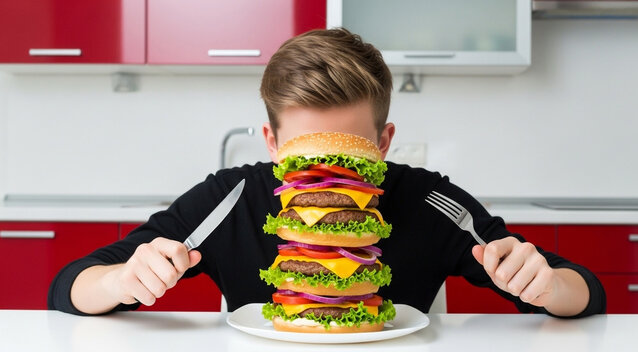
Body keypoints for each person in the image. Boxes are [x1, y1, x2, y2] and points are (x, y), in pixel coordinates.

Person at [49, 28, 605, 317]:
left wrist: (548, 284)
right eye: (305, 159)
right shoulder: (231, 199)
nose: (327, 181)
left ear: (384, 143)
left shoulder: (430, 199)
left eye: (348, 156)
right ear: (270, 144)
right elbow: (68, 287)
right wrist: (124, 281)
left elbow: (587, 292)